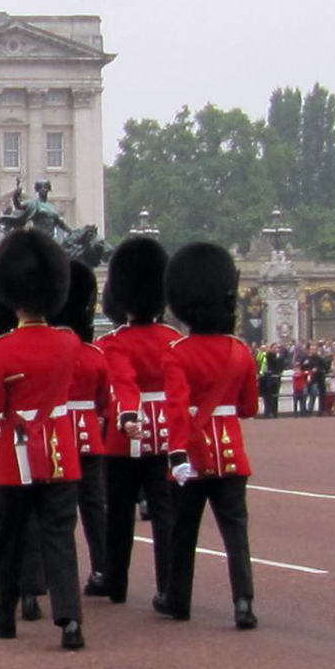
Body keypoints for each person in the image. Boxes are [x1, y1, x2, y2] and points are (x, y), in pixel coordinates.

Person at [0, 230, 86, 651]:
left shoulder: (1, 350)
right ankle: (70, 620)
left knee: (10, 538)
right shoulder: (69, 342)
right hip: (59, 451)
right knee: (59, 537)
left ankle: (4, 615)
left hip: (17, 453)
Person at [159, 243, 260, 629]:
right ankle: (244, 602)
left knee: (183, 534)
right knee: (236, 534)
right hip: (231, 454)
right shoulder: (239, 351)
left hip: (192, 457)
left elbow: (176, 408)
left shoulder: (177, 353)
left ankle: (178, 600)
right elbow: (249, 407)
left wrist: (177, 455)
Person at [98, 237, 179, 610]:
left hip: (122, 437)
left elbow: (122, 383)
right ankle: (169, 586)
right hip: (166, 435)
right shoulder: (173, 340)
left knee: (119, 514)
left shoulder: (114, 342)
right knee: (164, 513)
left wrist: (129, 415)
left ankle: (116, 582)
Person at [49, 262, 115, 598]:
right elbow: (105, 399)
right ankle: (102, 568)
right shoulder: (93, 355)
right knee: (94, 508)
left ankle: (54, 575)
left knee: (55, 514)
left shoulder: (49, 353)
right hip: (89, 437)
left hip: (54, 436)